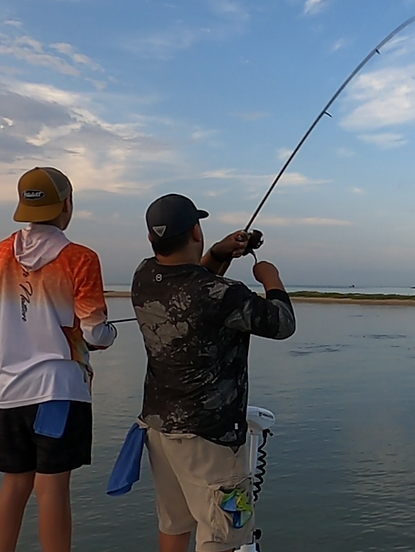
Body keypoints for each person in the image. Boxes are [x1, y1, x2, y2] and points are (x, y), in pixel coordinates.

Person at [130, 194, 296, 552]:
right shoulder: (222, 294)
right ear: (195, 230)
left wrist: (220, 254)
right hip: (212, 441)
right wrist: (272, 278)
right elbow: (282, 323)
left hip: (161, 432)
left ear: (151, 239)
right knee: (222, 536)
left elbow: (192, 283)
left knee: (174, 525)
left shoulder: (144, 276)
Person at [0, 167, 117, 552]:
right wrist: (109, 335)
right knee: (53, 485)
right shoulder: (80, 259)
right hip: (59, 391)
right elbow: (95, 332)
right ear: (67, 204)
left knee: (15, 483)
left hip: (9, 390)